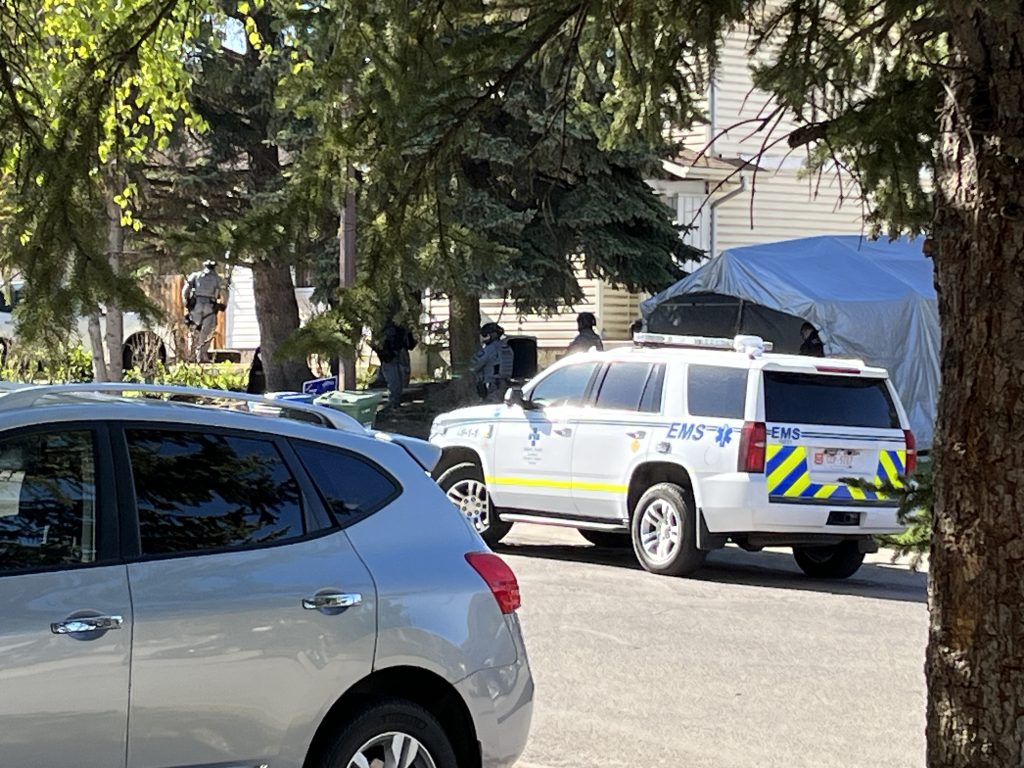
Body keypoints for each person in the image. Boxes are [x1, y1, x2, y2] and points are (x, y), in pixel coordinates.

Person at [182, 260, 225, 363]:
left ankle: (192, 356)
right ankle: (201, 356)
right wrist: (224, 305)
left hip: (196, 306)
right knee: (208, 331)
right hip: (210, 306)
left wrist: (186, 303)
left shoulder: (195, 276)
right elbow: (225, 293)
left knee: (195, 330)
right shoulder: (218, 279)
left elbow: (185, 291)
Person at [373, 320, 417, 408]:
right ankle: (393, 404)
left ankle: (394, 403)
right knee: (395, 383)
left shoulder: (401, 326)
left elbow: (410, 344)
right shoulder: (385, 326)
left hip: (397, 354)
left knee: (399, 383)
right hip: (391, 356)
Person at [470, 322, 514, 401]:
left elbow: (474, 366)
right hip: (506, 385)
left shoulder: (489, 349)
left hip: (492, 386)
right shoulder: (507, 348)